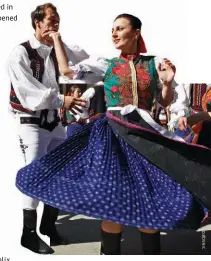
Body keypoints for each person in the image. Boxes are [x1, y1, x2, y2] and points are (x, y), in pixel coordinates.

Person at [15, 13, 211, 255]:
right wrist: (56, 38)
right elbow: (67, 72)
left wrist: (168, 83)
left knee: (147, 209)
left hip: (143, 136)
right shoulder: (106, 64)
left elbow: (164, 101)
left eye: (120, 28)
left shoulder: (154, 63)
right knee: (111, 206)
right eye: (112, 29)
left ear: (136, 32)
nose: (114, 33)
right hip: (112, 137)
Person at [7, 2, 105, 254]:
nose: (55, 22)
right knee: (36, 173)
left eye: (57, 18)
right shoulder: (21, 53)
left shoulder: (58, 49)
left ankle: (49, 226)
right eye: (50, 19)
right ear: (37, 23)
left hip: (54, 121)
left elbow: (84, 58)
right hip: (31, 122)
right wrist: (62, 100)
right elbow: (27, 92)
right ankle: (28, 234)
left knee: (62, 171)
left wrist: (59, 42)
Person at [168, 83, 211, 225]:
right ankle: (192, 208)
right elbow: (179, 98)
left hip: (204, 125)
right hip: (188, 122)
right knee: (183, 168)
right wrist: (181, 115)